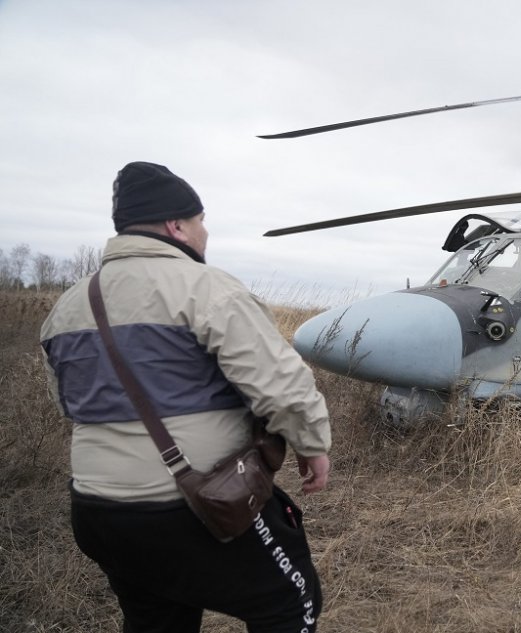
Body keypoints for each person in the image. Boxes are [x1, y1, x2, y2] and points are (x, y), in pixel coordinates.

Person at [40, 161, 331, 632]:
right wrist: (312, 444)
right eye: (200, 220)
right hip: (189, 506)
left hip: (97, 510)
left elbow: (70, 403)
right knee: (289, 602)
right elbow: (281, 385)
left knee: (156, 617)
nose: (204, 231)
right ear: (176, 225)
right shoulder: (206, 287)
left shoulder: (69, 304)